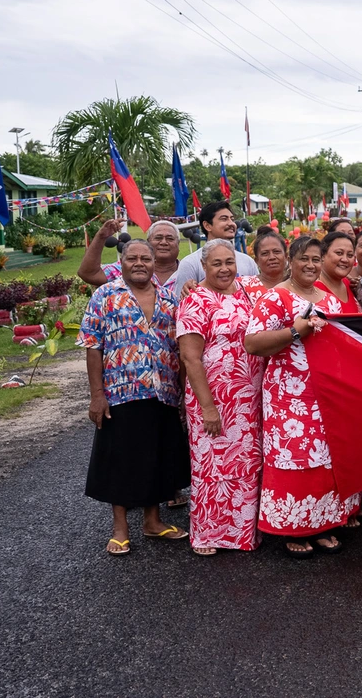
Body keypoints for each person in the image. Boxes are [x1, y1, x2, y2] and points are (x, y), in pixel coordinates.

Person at [243, 237, 355, 557]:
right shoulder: (275, 298)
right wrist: (295, 331)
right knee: (293, 458)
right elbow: (253, 344)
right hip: (287, 395)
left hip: (325, 394)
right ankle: (294, 528)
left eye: (316, 259)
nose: (310, 265)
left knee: (324, 459)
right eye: (304, 258)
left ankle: (321, 526)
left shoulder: (330, 300)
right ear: (291, 259)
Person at [78, 240, 189, 555]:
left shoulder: (169, 299)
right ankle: (120, 528)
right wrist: (97, 395)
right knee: (121, 458)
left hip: (162, 391)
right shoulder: (105, 296)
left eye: (145, 258)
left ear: (155, 262)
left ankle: (153, 522)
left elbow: (179, 349)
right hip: (120, 393)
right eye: (132, 258)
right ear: (121, 261)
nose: (139, 263)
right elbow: (92, 345)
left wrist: (183, 394)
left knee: (155, 456)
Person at [175, 240, 261, 557]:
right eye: (216, 264)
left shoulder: (247, 291)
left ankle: (242, 534)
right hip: (213, 400)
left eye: (229, 262)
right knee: (212, 467)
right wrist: (208, 408)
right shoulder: (195, 299)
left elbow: (279, 277)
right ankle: (208, 534)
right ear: (204, 267)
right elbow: (190, 358)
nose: (224, 269)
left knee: (246, 466)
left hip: (248, 400)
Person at [169, 201, 260, 297]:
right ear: (207, 225)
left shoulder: (248, 262)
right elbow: (181, 303)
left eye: (232, 219)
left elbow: (257, 296)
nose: (232, 223)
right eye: (224, 219)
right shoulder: (190, 263)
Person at [79, 218, 182, 290]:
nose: (164, 242)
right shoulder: (129, 267)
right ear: (148, 242)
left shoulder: (190, 270)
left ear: (178, 244)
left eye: (170, 238)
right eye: (158, 238)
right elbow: (88, 273)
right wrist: (101, 237)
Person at [315, 231, 360, 314]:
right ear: (323, 255)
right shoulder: (313, 289)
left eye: (350, 255)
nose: (345, 259)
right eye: (339, 253)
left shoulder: (350, 285)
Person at [240, 227, 288, 296]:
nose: (272, 257)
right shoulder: (244, 287)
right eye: (265, 253)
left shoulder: (298, 285)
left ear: (286, 256)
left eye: (276, 252)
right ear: (256, 260)